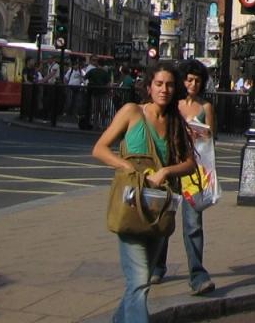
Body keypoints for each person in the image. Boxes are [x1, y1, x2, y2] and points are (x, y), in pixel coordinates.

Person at [93, 63, 197, 323]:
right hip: (131, 205)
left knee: (140, 283)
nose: (164, 89)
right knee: (139, 281)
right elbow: (100, 148)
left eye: (169, 85)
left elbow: (190, 163)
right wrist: (127, 166)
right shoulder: (132, 112)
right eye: (159, 84)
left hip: (158, 208)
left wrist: (166, 171)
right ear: (149, 87)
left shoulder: (174, 121)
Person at [153, 59, 217, 296]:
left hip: (194, 172)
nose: (193, 84)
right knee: (164, 219)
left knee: (193, 224)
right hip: (171, 167)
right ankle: (157, 266)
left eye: (197, 81)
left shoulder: (205, 107)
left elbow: (211, 137)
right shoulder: (173, 104)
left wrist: (201, 133)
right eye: (189, 80)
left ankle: (198, 275)